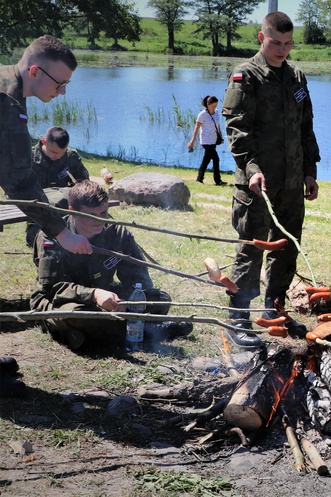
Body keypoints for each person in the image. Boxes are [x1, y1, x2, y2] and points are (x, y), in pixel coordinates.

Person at [221, 11, 320, 348]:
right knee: (251, 251)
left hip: (292, 182)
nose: (282, 49)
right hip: (256, 183)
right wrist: (250, 169)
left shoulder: (297, 78)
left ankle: (274, 309)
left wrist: (310, 171)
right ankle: (238, 319)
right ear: (261, 38)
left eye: (288, 43)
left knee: (287, 247)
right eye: (276, 42)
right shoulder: (245, 77)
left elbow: (306, 128)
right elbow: (236, 130)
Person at [0, 35, 92, 397]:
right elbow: (20, 179)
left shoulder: (11, 87)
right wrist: (62, 231)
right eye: (60, 83)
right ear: (35, 71)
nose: (64, 92)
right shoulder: (7, 103)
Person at [30, 180, 192, 351]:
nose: (99, 221)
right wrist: (93, 294)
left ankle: (88, 335)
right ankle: (149, 332)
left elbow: (138, 277)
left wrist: (127, 299)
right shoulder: (53, 237)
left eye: (104, 212)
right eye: (91, 215)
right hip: (62, 301)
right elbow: (52, 288)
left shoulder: (117, 233)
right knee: (79, 314)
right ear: (72, 212)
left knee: (160, 299)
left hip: (107, 295)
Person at [26, 126, 90, 246]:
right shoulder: (28, 158)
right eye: (54, 152)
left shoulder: (71, 156)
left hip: (65, 208)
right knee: (36, 241)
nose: (58, 156)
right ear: (44, 142)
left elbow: (85, 184)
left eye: (62, 152)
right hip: (38, 210)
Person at [187, 95, 226, 186]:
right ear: (208, 104)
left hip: (214, 140)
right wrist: (192, 141)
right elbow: (196, 128)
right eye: (213, 106)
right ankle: (218, 180)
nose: (214, 107)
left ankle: (199, 178)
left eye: (216, 105)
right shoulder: (202, 115)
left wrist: (220, 135)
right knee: (216, 159)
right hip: (205, 141)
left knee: (206, 160)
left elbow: (218, 125)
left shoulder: (216, 112)